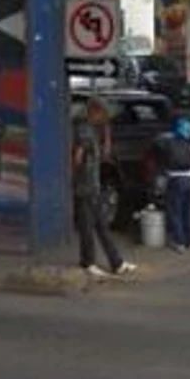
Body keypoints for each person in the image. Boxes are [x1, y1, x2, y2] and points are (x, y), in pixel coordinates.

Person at [73, 96, 135, 277]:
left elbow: (106, 154)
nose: (105, 118)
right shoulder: (84, 130)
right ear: (95, 111)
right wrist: (79, 176)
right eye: (104, 115)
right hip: (85, 185)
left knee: (100, 224)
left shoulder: (94, 130)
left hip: (93, 184)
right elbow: (78, 156)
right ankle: (88, 262)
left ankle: (116, 262)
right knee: (88, 225)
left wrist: (107, 133)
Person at [161, 115, 190, 252]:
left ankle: (179, 242)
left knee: (175, 211)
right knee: (189, 211)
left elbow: (161, 154)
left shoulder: (168, 142)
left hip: (175, 179)